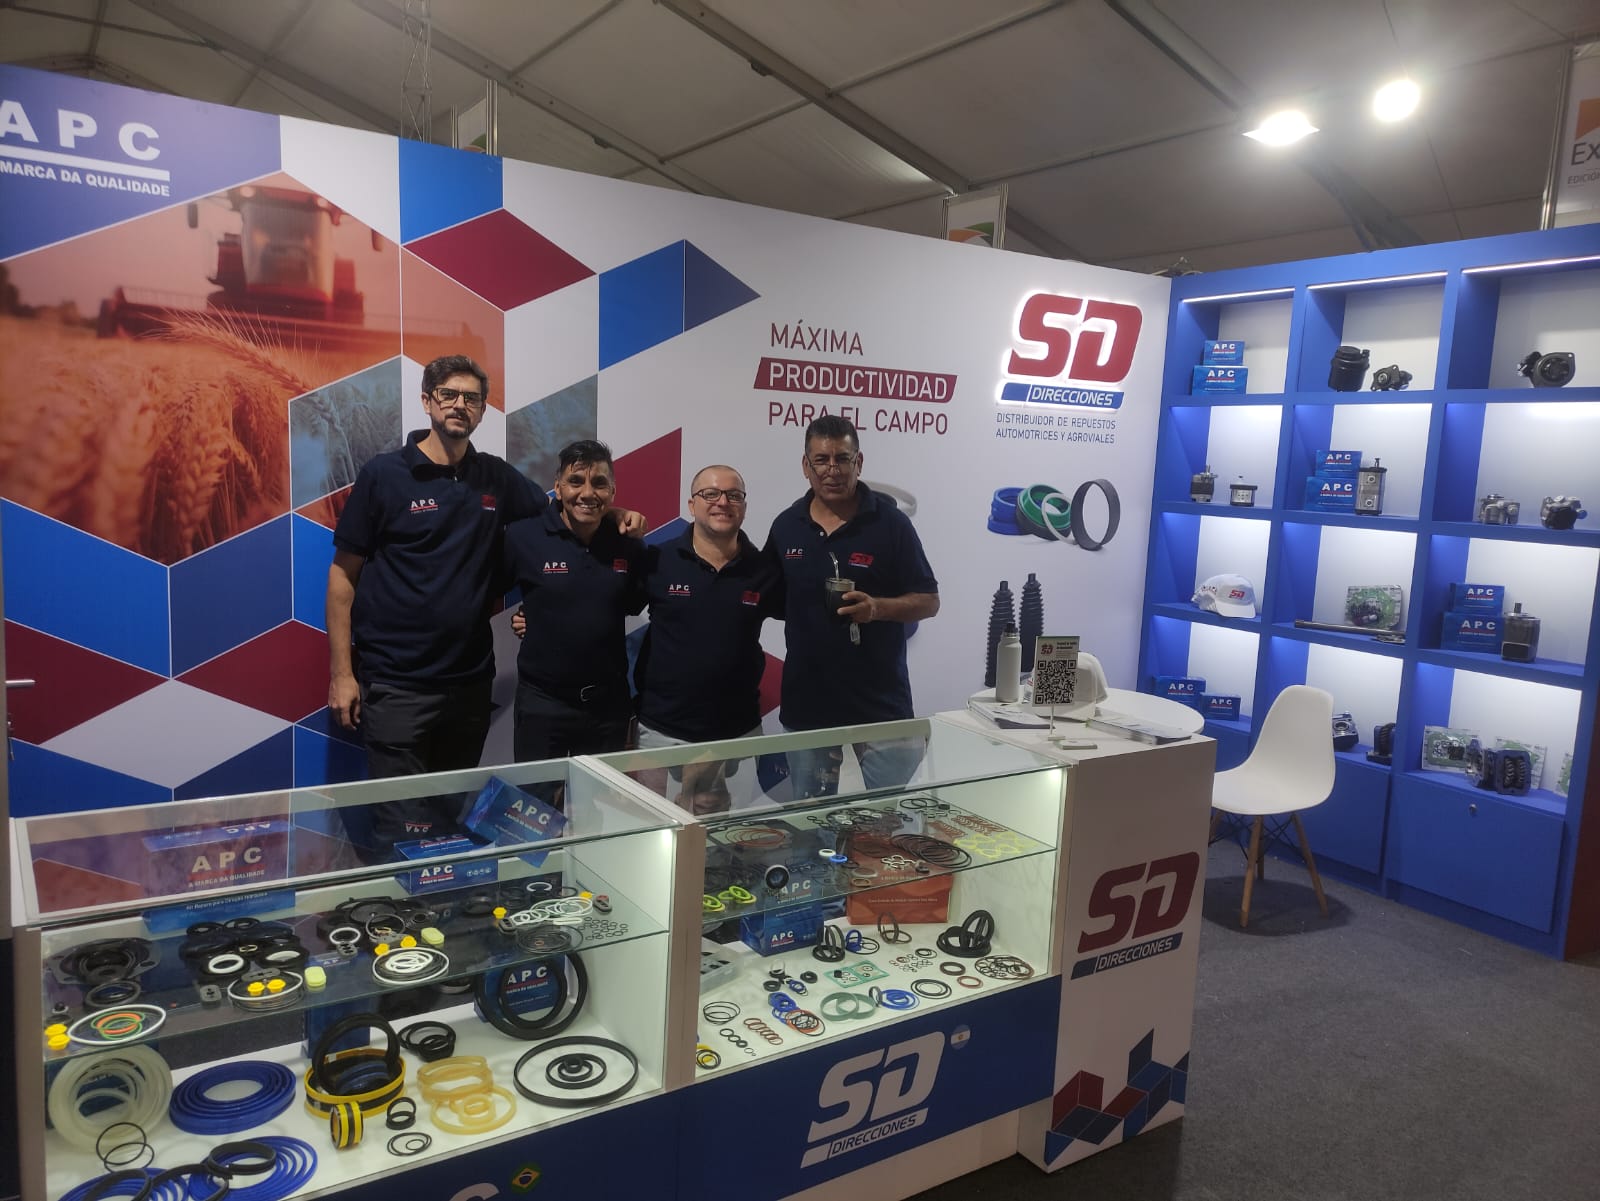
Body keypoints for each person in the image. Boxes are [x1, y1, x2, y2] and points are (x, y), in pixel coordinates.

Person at [325, 356, 641, 847]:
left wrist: (610, 511)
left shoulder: (494, 477)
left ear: (482, 410)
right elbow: (343, 576)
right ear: (427, 401)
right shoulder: (384, 475)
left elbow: (561, 510)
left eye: (471, 398)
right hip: (396, 682)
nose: (459, 405)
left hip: (469, 685)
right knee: (401, 827)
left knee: (451, 816)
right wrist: (342, 674)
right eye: (448, 394)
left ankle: (447, 897)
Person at [764, 415, 939, 798]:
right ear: (806, 466)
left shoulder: (891, 524)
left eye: (842, 459)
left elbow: (929, 601)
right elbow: (765, 596)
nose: (832, 469)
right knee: (810, 820)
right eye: (821, 460)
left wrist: (877, 608)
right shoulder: (786, 527)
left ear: (858, 463)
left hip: (880, 708)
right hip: (808, 707)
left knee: (887, 821)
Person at [632, 464, 784, 813]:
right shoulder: (658, 560)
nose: (722, 502)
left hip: (738, 734)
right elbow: (604, 604)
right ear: (692, 504)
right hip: (662, 733)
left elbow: (809, 619)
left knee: (732, 838)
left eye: (734, 495)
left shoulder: (763, 570)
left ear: (744, 507)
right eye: (710, 494)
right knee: (657, 835)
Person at [503, 439, 646, 765]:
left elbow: (629, 605)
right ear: (557, 487)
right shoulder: (523, 536)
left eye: (599, 483)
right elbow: (490, 588)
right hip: (542, 704)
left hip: (607, 706)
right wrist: (531, 614)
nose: (587, 493)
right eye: (576, 481)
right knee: (536, 796)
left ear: (612, 491)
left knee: (598, 797)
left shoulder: (629, 545)